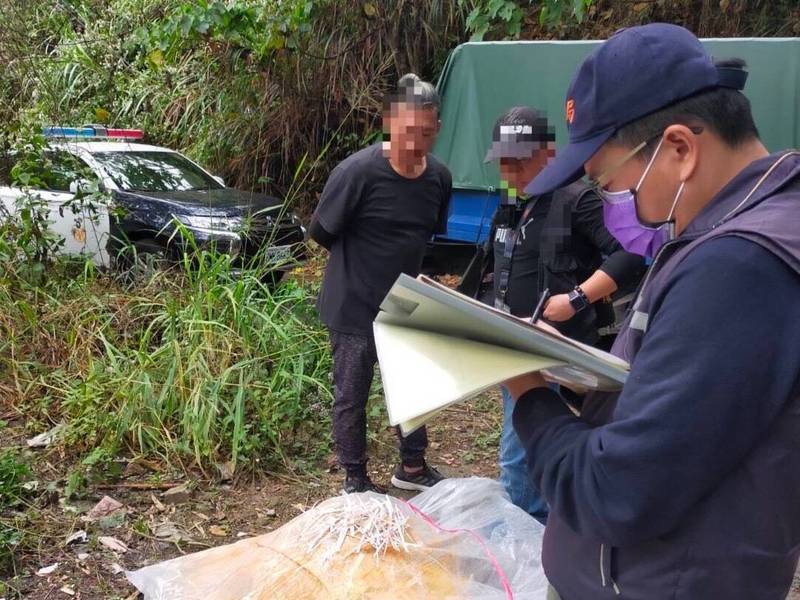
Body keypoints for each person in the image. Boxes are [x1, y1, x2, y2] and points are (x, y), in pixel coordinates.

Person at [504, 23, 800, 599]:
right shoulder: (746, 223)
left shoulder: (737, 267)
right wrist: (577, 373)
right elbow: (689, 411)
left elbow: (616, 490)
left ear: (680, 150)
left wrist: (526, 388)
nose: (615, 204)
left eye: (608, 182)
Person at [480, 106, 644, 523]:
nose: (510, 171)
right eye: (504, 162)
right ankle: (539, 523)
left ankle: (527, 533)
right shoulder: (512, 202)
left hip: (555, 349)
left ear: (548, 154)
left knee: (521, 451)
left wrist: (576, 298)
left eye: (519, 161)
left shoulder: (576, 199)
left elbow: (631, 253)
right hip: (511, 341)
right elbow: (498, 261)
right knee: (524, 445)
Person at [310, 73, 452, 494]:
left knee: (413, 386)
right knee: (352, 393)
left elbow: (429, 238)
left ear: (437, 129)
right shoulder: (357, 173)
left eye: (426, 133)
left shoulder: (438, 179)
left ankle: (412, 468)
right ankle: (355, 479)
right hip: (353, 303)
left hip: (404, 304)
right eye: (408, 131)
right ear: (389, 122)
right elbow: (321, 233)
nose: (416, 142)